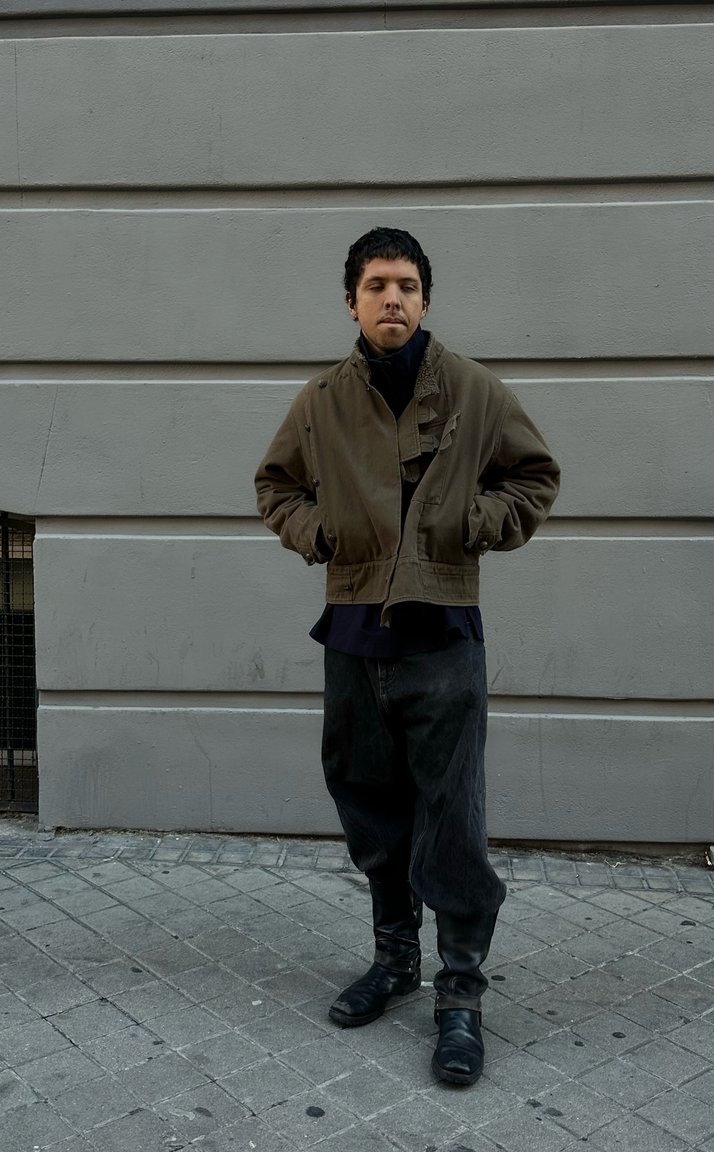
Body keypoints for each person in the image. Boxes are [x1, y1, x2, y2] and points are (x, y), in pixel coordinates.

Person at [255, 227, 559, 1086]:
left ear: (426, 300)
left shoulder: (474, 391)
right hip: (353, 638)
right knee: (370, 814)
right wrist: (321, 536)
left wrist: (476, 526)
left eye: (409, 285)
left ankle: (459, 997)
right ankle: (395, 962)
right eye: (377, 284)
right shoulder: (320, 402)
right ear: (351, 300)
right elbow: (274, 486)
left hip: (444, 639)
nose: (393, 298)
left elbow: (534, 478)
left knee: (452, 823)